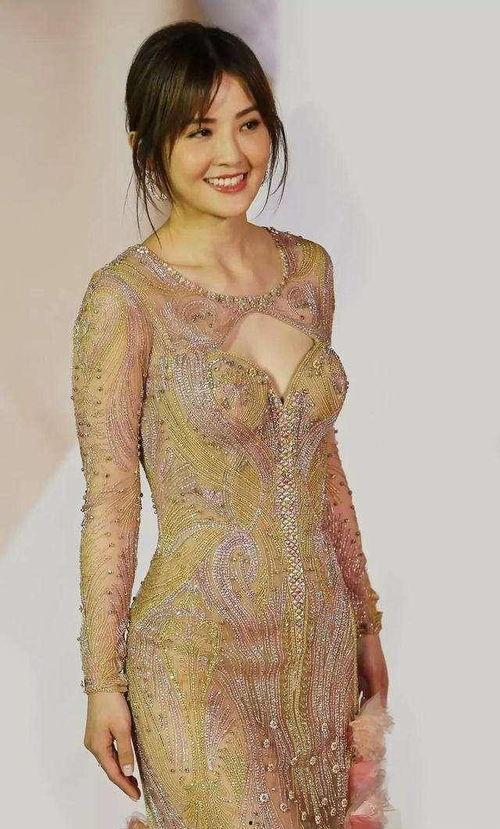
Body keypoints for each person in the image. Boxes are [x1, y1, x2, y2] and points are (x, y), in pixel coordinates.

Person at [71, 21, 391, 829]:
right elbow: (111, 498)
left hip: (315, 649)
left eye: (249, 123)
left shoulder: (308, 271)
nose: (232, 152)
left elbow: (323, 463)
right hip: (192, 655)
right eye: (199, 130)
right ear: (149, 146)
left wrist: (364, 620)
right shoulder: (124, 299)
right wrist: (102, 681)